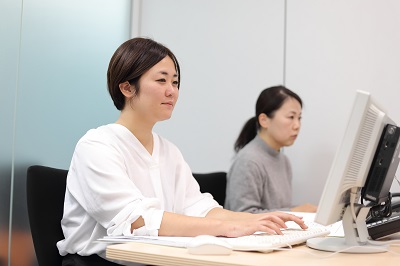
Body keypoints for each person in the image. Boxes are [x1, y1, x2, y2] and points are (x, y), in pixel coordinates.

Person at [56, 38, 307, 265]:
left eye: (175, 82)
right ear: (127, 88)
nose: (172, 90)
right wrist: (226, 227)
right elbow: (135, 221)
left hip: (157, 260)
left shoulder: (169, 151)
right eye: (161, 80)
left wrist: (254, 221)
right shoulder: (97, 146)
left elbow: (199, 207)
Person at [224, 86, 317, 214]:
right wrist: (293, 212)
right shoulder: (248, 160)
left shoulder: (284, 161)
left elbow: (280, 208)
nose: (297, 125)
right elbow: (242, 214)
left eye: (299, 118)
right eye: (291, 117)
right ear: (264, 120)